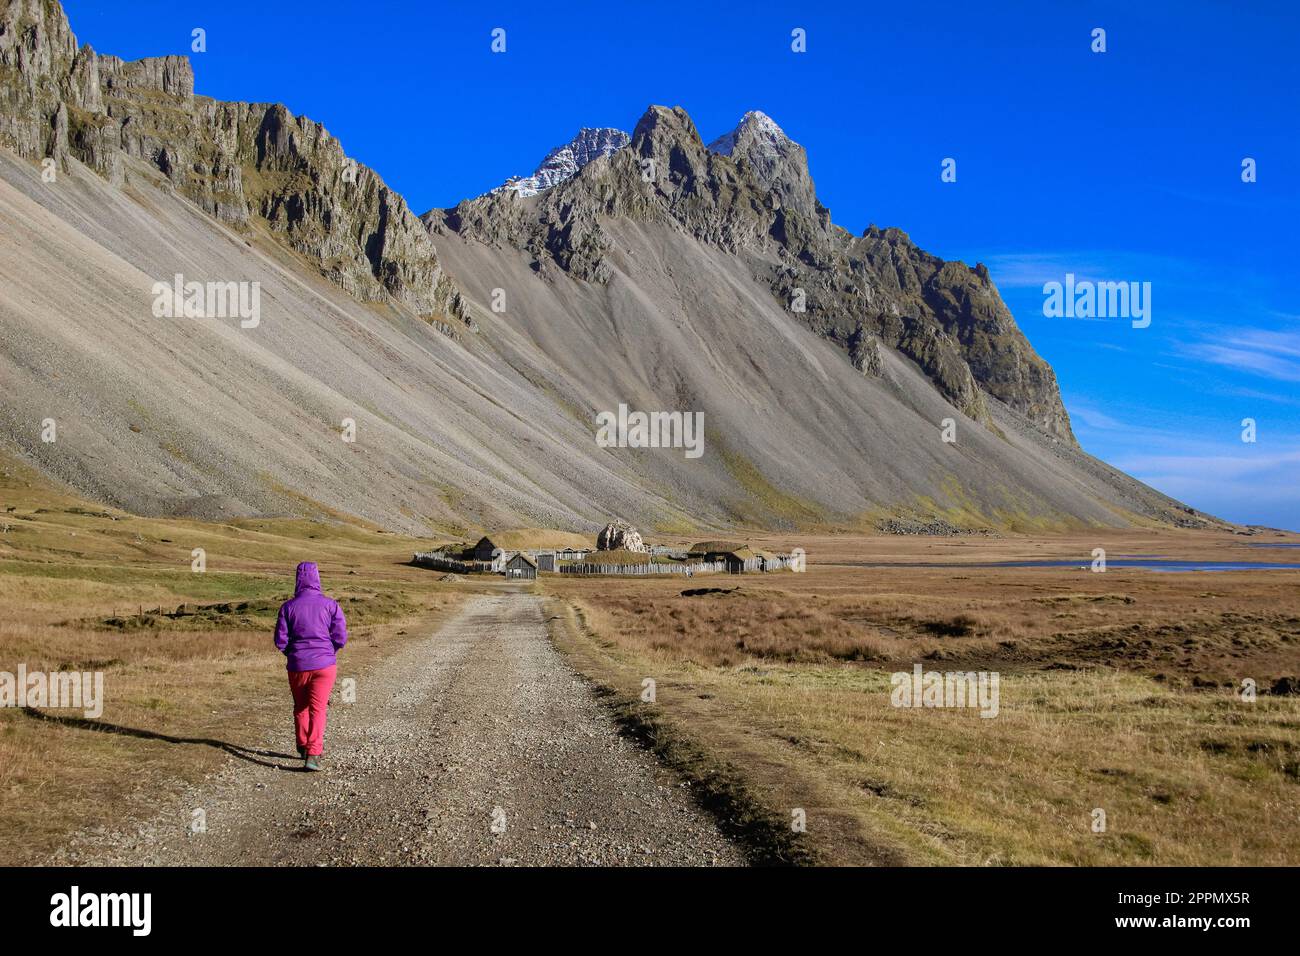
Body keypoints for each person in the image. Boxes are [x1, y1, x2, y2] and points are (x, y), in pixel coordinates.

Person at [273, 562, 348, 771]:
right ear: (317, 578)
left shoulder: (287, 607)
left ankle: (303, 745)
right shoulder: (330, 605)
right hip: (325, 665)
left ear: (297, 579)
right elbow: (341, 636)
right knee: (318, 709)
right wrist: (329, 651)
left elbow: (280, 640)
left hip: (297, 664)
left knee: (300, 707)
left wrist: (292, 653)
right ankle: (313, 754)